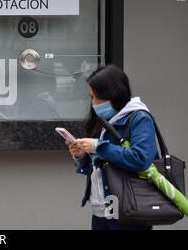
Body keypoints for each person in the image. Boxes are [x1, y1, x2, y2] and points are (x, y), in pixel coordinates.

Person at [67, 65, 158, 230]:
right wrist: (80, 155)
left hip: (129, 211)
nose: (94, 103)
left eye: (97, 97)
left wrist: (97, 147)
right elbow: (98, 166)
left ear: (114, 94)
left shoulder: (139, 118)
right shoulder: (103, 120)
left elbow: (141, 159)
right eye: (91, 97)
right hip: (102, 209)